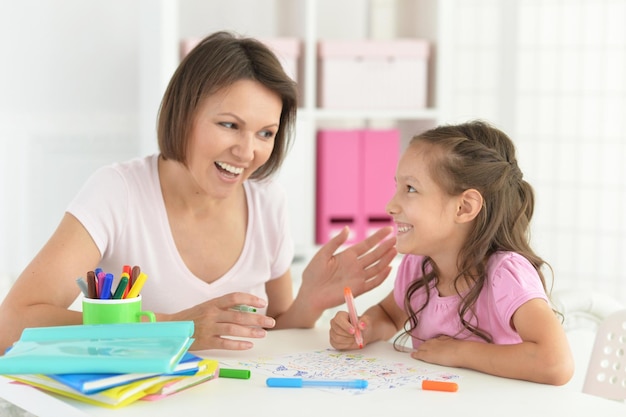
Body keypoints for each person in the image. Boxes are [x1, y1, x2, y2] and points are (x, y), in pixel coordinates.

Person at [0, 31, 397, 354]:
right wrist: (175, 328)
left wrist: (309, 301)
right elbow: (12, 323)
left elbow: (270, 330)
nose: (246, 152)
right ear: (185, 113)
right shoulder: (117, 192)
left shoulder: (267, 201)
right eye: (229, 125)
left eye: (266, 133)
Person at [329, 120, 574, 386]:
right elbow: (389, 316)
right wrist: (361, 328)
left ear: (464, 207)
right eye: (397, 187)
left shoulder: (506, 274)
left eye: (410, 189)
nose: (390, 205)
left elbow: (556, 363)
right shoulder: (418, 266)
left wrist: (460, 352)